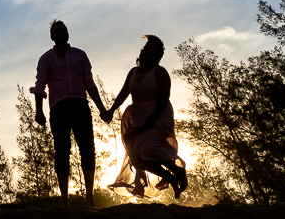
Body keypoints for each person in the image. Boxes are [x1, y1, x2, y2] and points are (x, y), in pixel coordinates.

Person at [31, 20, 108, 208]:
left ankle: (89, 197)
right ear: (52, 36)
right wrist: (39, 111)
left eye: (63, 30)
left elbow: (89, 83)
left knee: (88, 149)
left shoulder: (80, 55)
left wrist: (102, 108)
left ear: (68, 33)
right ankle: (65, 200)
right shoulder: (46, 59)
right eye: (56, 31)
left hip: (80, 105)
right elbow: (40, 85)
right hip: (59, 108)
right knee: (62, 151)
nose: (61, 33)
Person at [103, 35, 187, 199]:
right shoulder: (133, 72)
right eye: (148, 48)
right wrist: (111, 110)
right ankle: (171, 178)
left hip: (159, 113)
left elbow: (164, 98)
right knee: (135, 154)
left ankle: (177, 170)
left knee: (150, 148)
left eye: (154, 50)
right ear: (143, 52)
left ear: (159, 56)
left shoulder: (160, 72)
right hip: (138, 116)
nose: (150, 51)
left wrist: (153, 118)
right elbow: (123, 93)